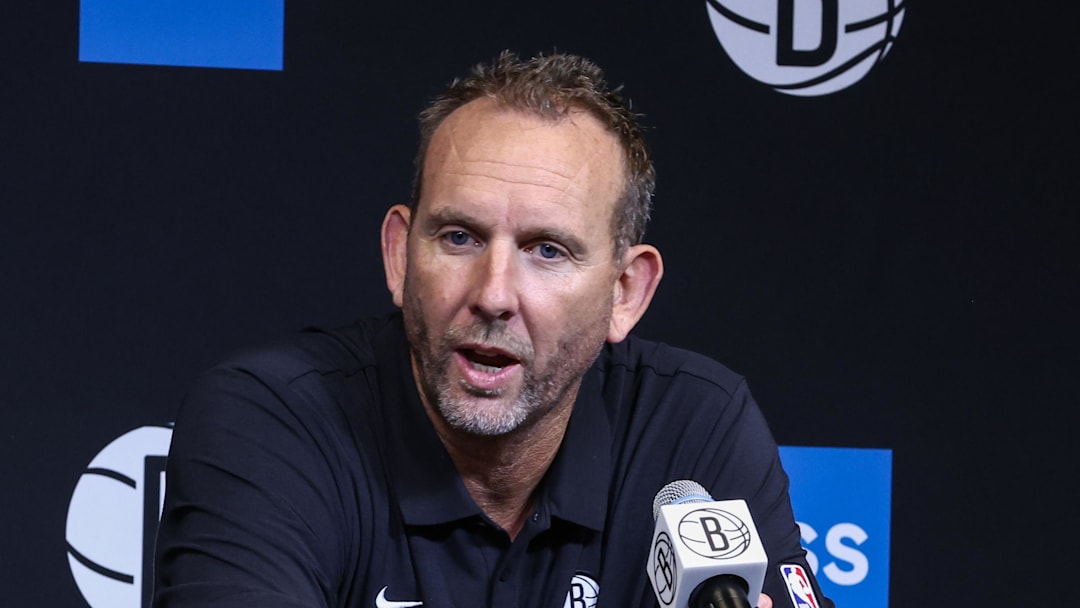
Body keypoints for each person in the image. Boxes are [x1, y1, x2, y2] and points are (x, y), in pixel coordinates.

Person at [153, 51, 832, 608]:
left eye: (548, 251)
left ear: (626, 293)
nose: (493, 294)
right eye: (459, 237)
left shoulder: (694, 429)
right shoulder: (270, 418)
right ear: (399, 255)